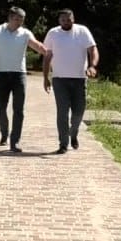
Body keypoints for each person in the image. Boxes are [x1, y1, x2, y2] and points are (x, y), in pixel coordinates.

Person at [0, 7, 46, 153]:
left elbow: (37, 46)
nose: (19, 22)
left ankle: (14, 141)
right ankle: (4, 132)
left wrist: (51, 53)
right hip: (2, 74)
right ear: (10, 18)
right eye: (17, 19)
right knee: (0, 109)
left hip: (19, 75)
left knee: (18, 110)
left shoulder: (25, 33)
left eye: (21, 20)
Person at [42, 9, 98, 154]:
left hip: (79, 79)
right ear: (59, 21)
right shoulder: (53, 33)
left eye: (69, 19)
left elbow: (93, 50)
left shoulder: (83, 31)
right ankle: (63, 143)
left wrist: (92, 66)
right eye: (63, 20)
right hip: (60, 79)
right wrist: (45, 77)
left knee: (79, 112)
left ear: (73, 18)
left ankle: (73, 133)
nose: (66, 22)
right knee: (62, 112)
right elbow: (47, 56)